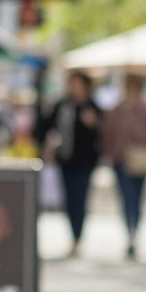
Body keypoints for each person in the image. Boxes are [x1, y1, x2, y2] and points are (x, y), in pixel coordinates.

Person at [36, 71, 103, 258]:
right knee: (69, 199)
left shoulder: (92, 107)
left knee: (80, 199)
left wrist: (94, 125)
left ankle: (77, 237)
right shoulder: (62, 105)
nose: (73, 88)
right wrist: (46, 148)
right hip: (65, 160)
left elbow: (103, 133)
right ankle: (73, 236)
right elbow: (44, 127)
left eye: (77, 84)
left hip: (85, 162)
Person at [103, 75, 146, 260]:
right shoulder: (116, 109)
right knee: (126, 197)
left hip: (140, 160)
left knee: (137, 198)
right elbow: (107, 133)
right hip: (120, 160)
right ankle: (129, 233)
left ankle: (134, 232)